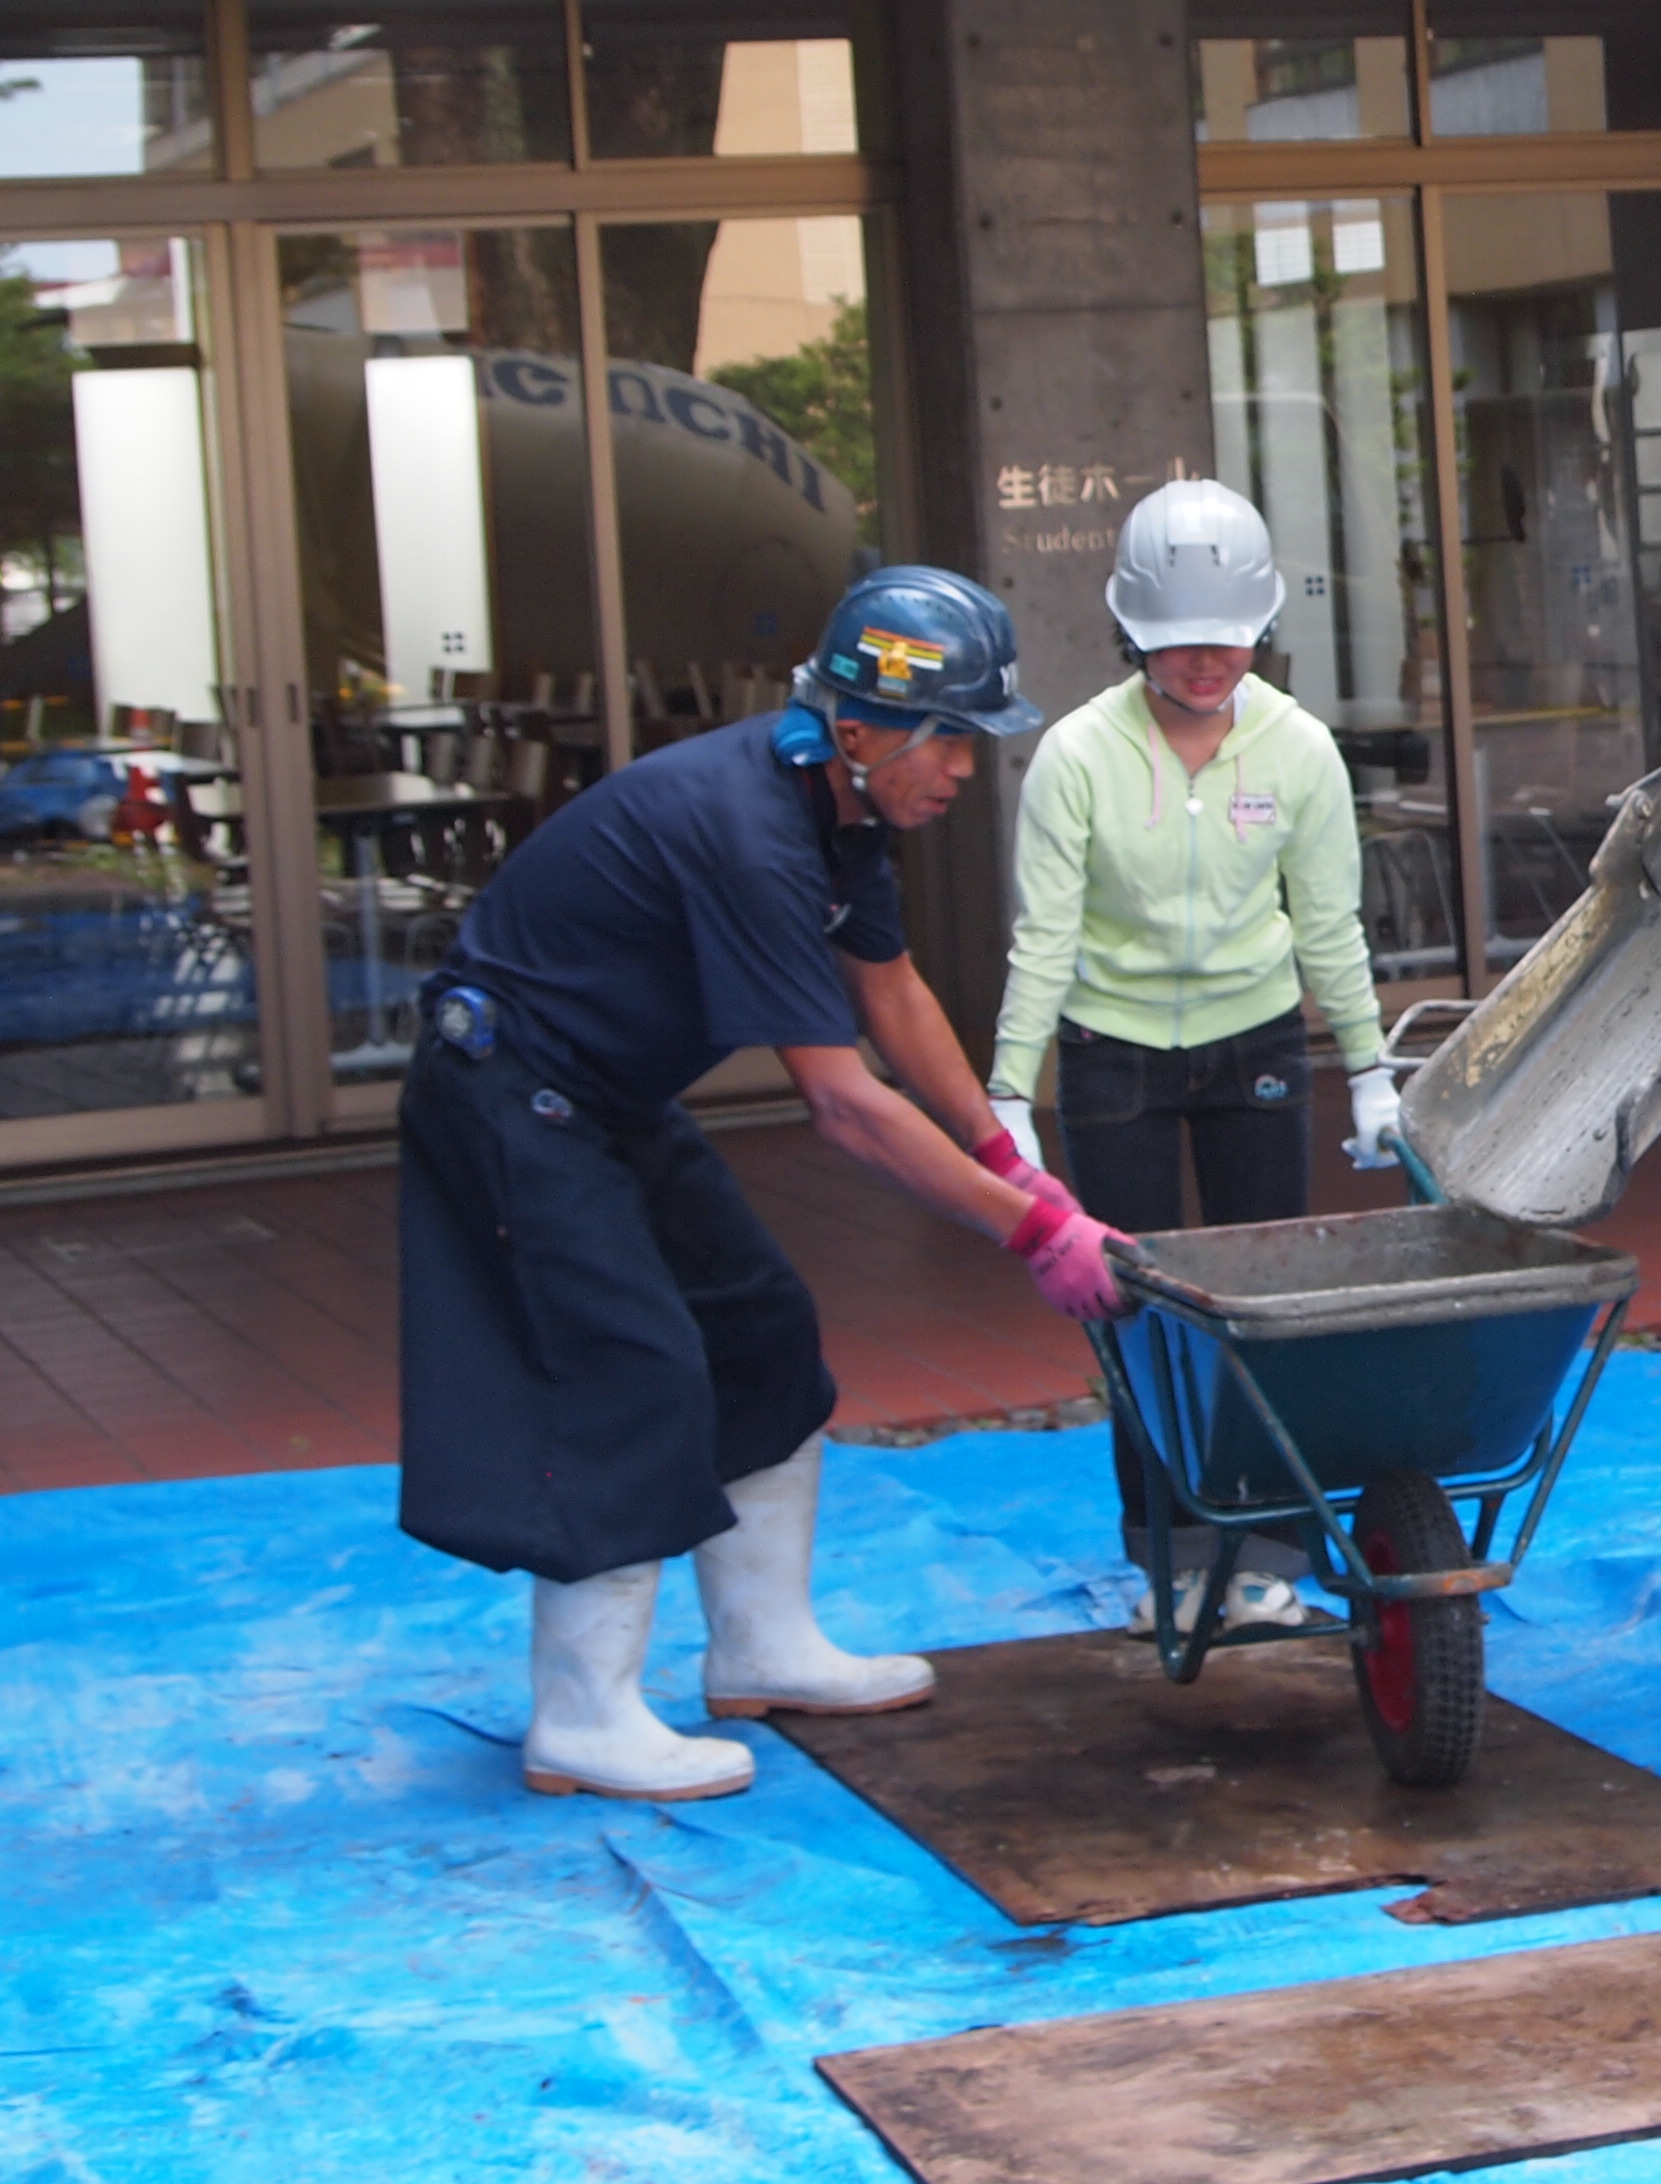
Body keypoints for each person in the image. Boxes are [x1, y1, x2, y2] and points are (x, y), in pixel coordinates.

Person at [397, 566, 1121, 1804]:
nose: (964, 769)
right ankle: (580, 1715)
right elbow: (841, 1102)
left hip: (608, 1096)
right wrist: (1030, 1237)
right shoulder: (747, 831)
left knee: (762, 1330)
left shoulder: (840, 812)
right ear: (859, 726)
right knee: (625, 1364)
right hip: (507, 1090)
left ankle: (761, 1646)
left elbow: (890, 993)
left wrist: (1008, 1156)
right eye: (950, 740)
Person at [989, 480, 1403, 1639]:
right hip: (1109, 1053)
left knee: (1263, 1308)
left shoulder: (1300, 749)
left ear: (1262, 624)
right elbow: (1047, 934)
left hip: (1256, 1042)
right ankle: (1168, 1558)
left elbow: (1330, 921)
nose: (1205, 661)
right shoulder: (1076, 755)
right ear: (1133, 633)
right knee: (1137, 1311)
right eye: (1177, 642)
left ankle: (1268, 1556)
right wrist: (1008, 1094)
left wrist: (1368, 1068)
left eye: (1226, 635)